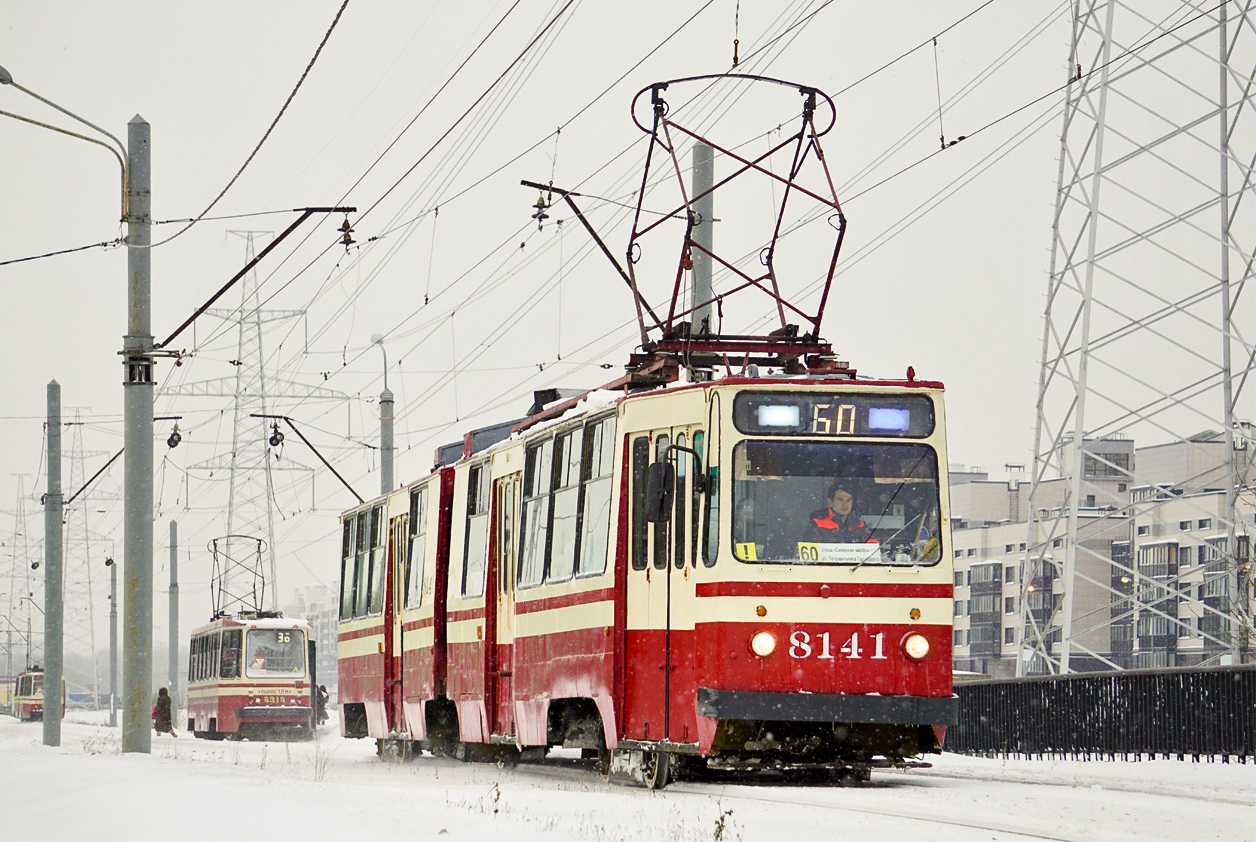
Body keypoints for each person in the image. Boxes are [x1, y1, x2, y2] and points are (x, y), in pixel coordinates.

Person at [803, 482, 872, 543]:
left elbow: (873, 546)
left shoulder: (860, 524)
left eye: (848, 500)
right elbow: (809, 548)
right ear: (830, 502)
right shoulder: (817, 523)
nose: (845, 505)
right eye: (840, 500)